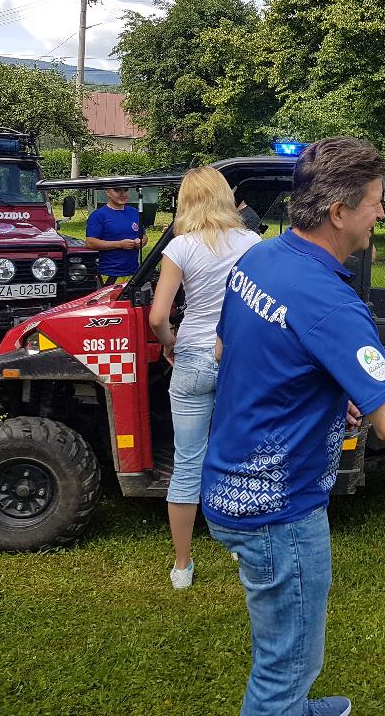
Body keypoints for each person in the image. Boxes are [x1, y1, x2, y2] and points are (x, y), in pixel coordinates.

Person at [201, 136, 385, 716]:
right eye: (376, 201)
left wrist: (326, 391)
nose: (382, 212)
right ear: (339, 212)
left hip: (227, 483)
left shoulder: (259, 260)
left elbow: (232, 349)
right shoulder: (331, 302)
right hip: (279, 510)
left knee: (288, 649)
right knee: (285, 664)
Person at [148, 167, 261, 590]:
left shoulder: (180, 246)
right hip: (238, 359)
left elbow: (157, 316)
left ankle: (182, 566)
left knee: (187, 463)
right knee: (239, 458)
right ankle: (240, 547)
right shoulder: (252, 243)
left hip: (192, 355)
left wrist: (170, 342)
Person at [85, 186, 148, 284]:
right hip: (109, 274)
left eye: (125, 190)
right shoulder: (98, 215)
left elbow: (143, 235)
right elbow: (90, 242)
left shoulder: (134, 212)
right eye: (117, 190)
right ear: (108, 192)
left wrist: (142, 241)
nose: (123, 194)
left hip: (134, 274)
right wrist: (119, 244)